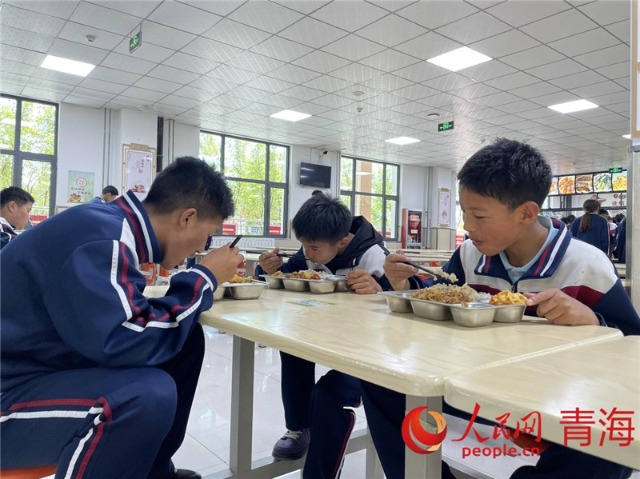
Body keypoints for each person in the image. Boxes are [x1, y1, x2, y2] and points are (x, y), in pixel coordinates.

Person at [361, 138, 640, 479]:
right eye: (464, 212)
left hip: (556, 399)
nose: (467, 226)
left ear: (526, 213)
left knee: (609, 438)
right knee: (383, 383)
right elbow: (439, 300)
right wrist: (404, 285)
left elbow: (632, 346)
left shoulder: (585, 265)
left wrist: (592, 319)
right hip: (477, 388)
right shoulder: (470, 256)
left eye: (479, 215)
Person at [0, 157, 243, 479]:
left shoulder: (109, 225)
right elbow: (125, 340)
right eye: (208, 236)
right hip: (9, 391)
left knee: (186, 342)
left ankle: (154, 472)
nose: (203, 248)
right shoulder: (104, 237)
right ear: (187, 218)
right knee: (143, 397)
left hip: (36, 368)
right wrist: (204, 278)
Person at [255, 192, 390, 478]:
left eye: (313, 248)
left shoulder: (373, 256)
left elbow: (401, 303)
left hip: (368, 351)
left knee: (328, 394)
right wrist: (264, 269)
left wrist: (380, 290)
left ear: (342, 241)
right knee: (290, 347)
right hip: (325, 335)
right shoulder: (312, 250)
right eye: (303, 245)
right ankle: (298, 427)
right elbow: (283, 278)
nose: (307, 254)